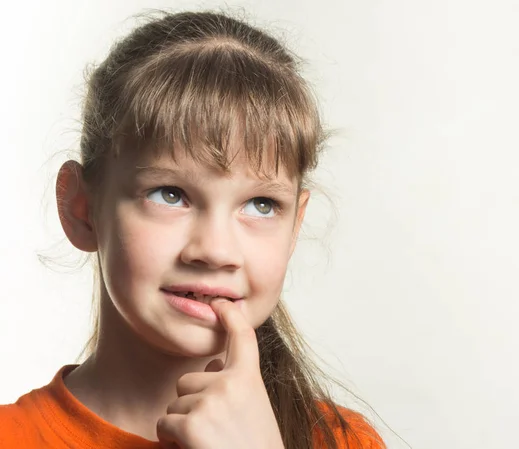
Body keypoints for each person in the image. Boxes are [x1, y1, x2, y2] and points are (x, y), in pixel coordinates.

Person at [0, 9, 386, 449]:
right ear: (82, 210)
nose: (217, 250)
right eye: (169, 194)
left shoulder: (346, 441)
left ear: (295, 226)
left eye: (261, 205)